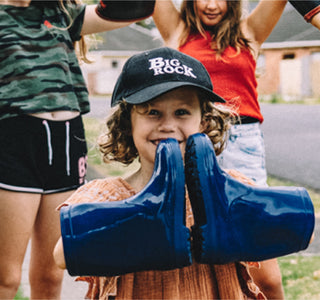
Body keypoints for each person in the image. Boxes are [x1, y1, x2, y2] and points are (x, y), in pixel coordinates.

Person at [53, 46, 272, 300]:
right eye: (152, 112)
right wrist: (141, 215)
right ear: (128, 122)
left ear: (203, 121)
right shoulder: (107, 195)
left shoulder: (229, 188)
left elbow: (292, 231)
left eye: (182, 112)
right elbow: (61, 256)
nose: (167, 125)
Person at [0, 0, 155, 298]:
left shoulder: (61, 13)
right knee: (5, 277)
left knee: (51, 275)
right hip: (15, 140)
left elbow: (137, 7)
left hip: (68, 141)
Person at [152, 0, 289, 298]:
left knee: (265, 272)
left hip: (242, 142)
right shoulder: (177, 31)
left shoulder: (248, 32)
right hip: (190, 139)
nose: (212, 5)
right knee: (197, 255)